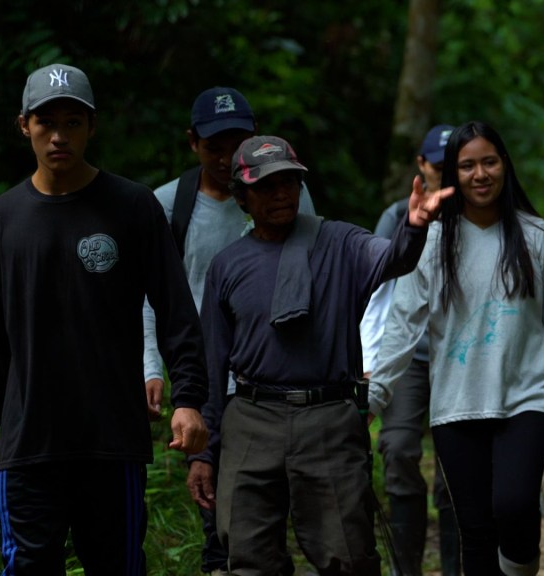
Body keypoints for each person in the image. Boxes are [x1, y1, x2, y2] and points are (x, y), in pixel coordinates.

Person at [0, 62, 209, 575]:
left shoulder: (133, 207)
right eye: (45, 122)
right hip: (29, 441)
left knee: (117, 566)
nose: (58, 136)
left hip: (111, 439)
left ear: (91, 127)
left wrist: (188, 398)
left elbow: (176, 311)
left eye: (72, 122)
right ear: (24, 125)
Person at [198, 134, 451, 576]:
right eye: (266, 185)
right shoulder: (227, 264)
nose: (281, 193)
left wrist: (414, 227)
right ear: (241, 197)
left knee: (347, 555)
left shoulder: (339, 242)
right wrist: (204, 453)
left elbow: (392, 258)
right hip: (251, 418)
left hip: (328, 417)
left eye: (289, 183)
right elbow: (213, 365)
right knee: (248, 555)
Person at [368, 121, 544, 575]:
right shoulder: (432, 241)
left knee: (513, 506)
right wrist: (377, 393)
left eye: (489, 162)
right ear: (452, 174)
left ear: (504, 165)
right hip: (457, 404)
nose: (480, 174)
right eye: (467, 166)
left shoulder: (537, 237)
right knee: (475, 527)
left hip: (525, 400)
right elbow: (403, 324)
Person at [141, 86, 315, 576]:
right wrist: (153, 366)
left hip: (279, 377)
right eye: (213, 146)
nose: (224, 158)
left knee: (272, 510)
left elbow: (315, 278)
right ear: (193, 142)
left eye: (236, 143)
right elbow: (152, 297)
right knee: (216, 506)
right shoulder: (168, 205)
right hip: (207, 383)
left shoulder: (288, 197)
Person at [359, 123, 461, 576]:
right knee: (398, 450)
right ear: (422, 166)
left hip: (460, 359)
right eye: (437, 166)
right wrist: (368, 361)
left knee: (454, 471)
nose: (444, 173)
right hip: (408, 359)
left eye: (451, 165)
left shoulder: (475, 211)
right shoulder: (398, 214)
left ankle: (458, 565)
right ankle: (407, 569)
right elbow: (376, 290)